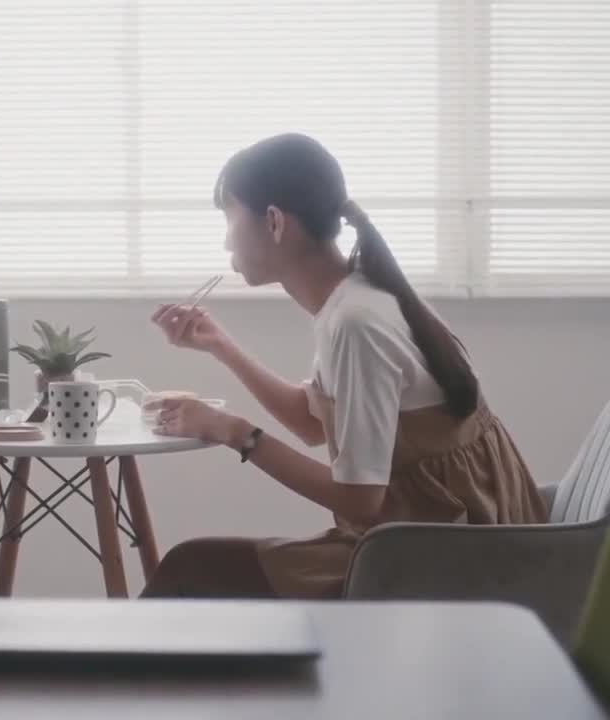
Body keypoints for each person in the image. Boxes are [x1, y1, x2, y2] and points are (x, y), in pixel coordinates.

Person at [140, 133, 546, 599]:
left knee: (189, 571)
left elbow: (360, 500)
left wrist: (232, 431)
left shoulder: (355, 323)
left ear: (274, 222)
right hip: (436, 537)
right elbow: (312, 423)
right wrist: (220, 345)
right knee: (195, 569)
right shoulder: (361, 299)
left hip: (438, 556)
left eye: (230, 217)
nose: (226, 238)